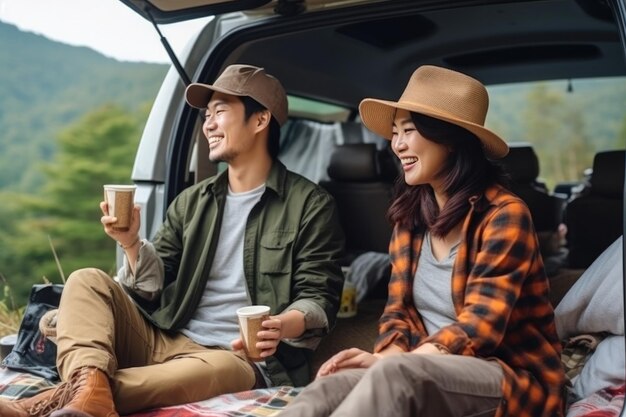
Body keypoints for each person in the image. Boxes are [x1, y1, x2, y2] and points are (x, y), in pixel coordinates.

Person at [1, 64, 345, 417]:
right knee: (85, 279)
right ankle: (86, 392)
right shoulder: (191, 201)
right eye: (207, 114)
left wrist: (283, 324)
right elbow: (153, 286)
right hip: (164, 335)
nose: (208, 124)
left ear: (260, 120)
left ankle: (39, 406)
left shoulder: (310, 205)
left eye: (221, 111)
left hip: (235, 357)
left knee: (145, 381)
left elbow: (318, 297)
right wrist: (132, 243)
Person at [279, 65, 565, 417]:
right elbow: (398, 311)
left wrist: (394, 366)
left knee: (394, 375)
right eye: (395, 132)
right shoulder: (409, 217)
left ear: (449, 139)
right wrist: (382, 356)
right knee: (327, 388)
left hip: (508, 379)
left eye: (409, 131)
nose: (396, 145)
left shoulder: (504, 215)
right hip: (424, 368)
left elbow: (480, 326)